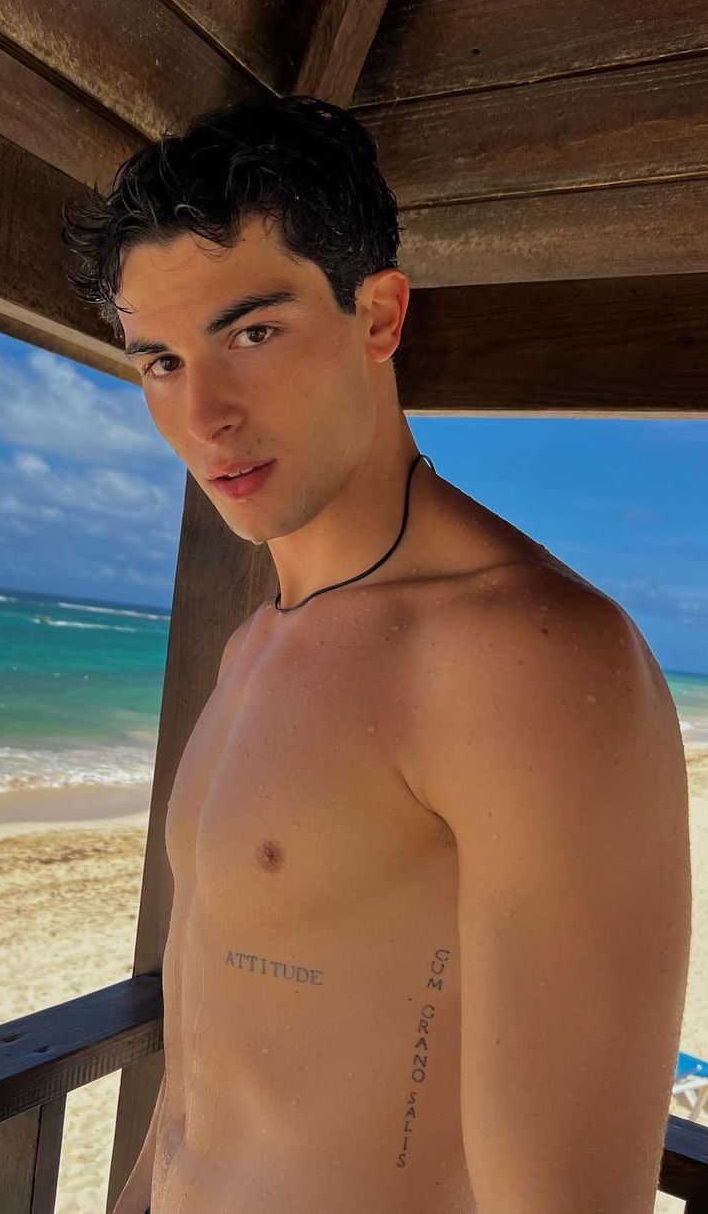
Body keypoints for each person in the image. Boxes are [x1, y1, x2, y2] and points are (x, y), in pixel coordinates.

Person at [61, 94, 691, 1213]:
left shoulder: (522, 657)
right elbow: (202, 1070)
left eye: (252, 334)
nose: (203, 415)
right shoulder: (253, 645)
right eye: (159, 361)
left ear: (380, 315)